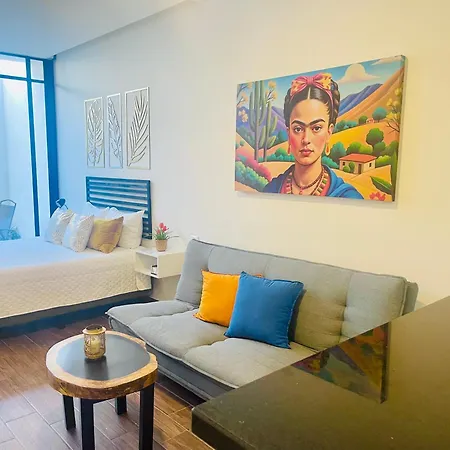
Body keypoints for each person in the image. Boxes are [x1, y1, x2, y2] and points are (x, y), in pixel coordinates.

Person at [263, 73, 363, 198]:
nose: (306, 139)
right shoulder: (271, 190)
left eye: (316, 128)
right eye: (298, 129)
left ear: (329, 132)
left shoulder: (348, 197)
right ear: (289, 133)